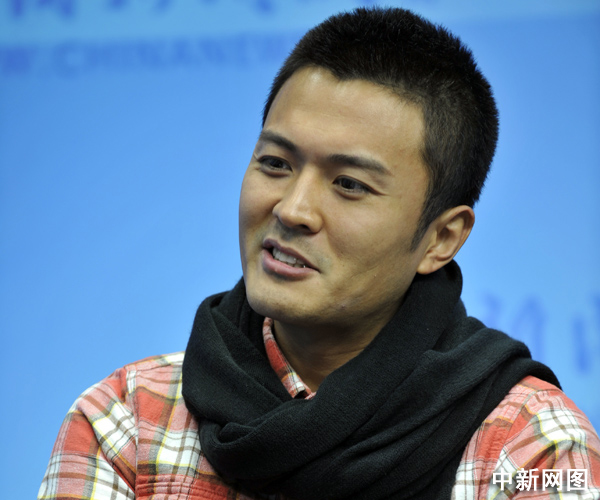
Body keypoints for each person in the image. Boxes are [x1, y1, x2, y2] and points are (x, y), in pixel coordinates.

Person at [38, 7, 600, 500]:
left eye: (349, 184)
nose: (292, 209)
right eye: (275, 163)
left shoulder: (534, 449)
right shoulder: (127, 421)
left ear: (442, 238)